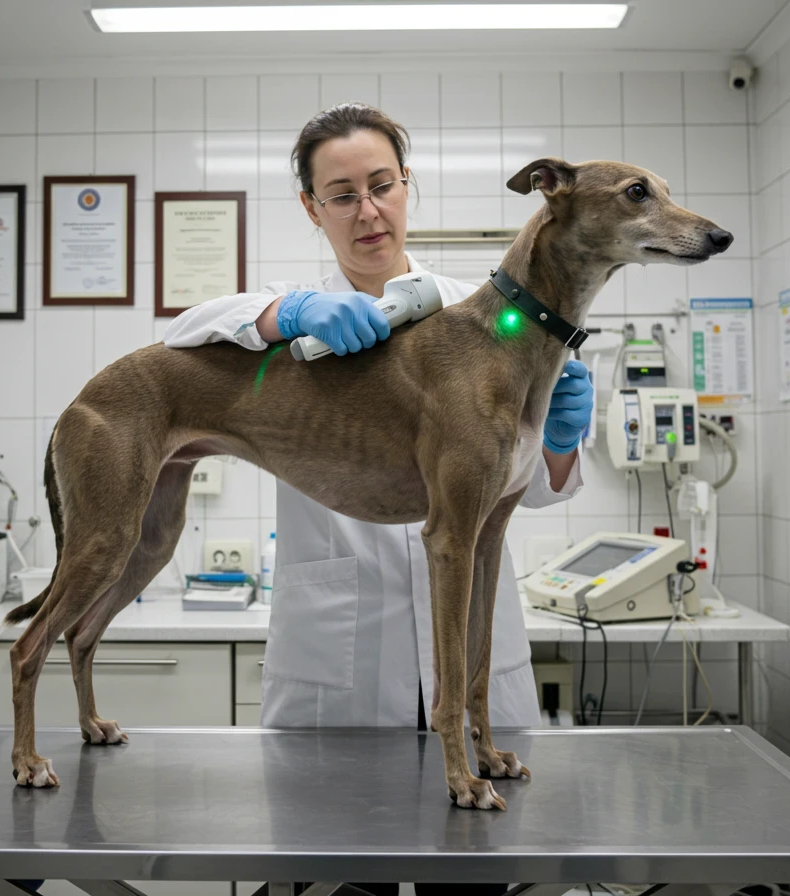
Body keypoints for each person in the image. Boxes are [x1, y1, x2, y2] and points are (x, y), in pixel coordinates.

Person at [163, 103, 593, 896]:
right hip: (342, 683)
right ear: (312, 208)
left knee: (474, 881)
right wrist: (279, 316)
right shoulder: (287, 329)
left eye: (382, 184)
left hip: (474, 680)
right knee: (334, 880)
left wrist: (557, 436)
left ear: (408, 187)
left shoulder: (496, 310)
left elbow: (526, 498)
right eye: (341, 193)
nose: (367, 210)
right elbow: (180, 340)